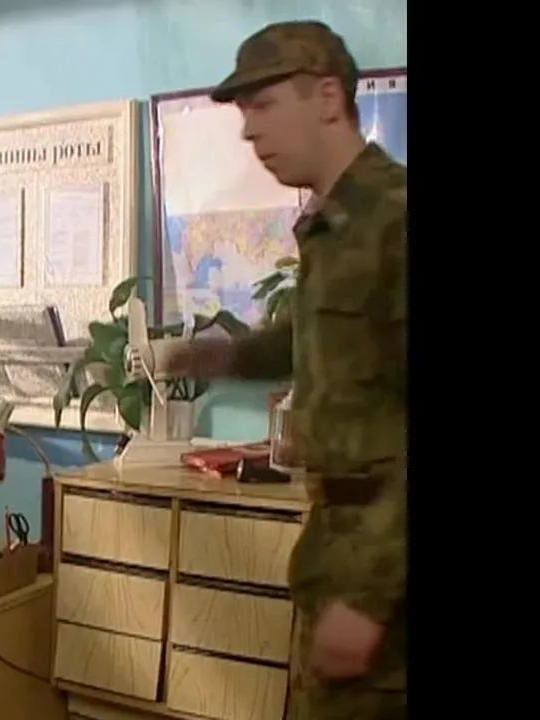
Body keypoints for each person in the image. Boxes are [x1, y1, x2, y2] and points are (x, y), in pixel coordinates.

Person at [170, 21, 407, 720]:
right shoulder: (335, 226)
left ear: (328, 97)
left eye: (264, 105)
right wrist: (219, 356)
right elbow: (326, 338)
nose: (248, 131)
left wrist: (368, 600)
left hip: (386, 570)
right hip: (337, 544)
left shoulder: (393, 221)